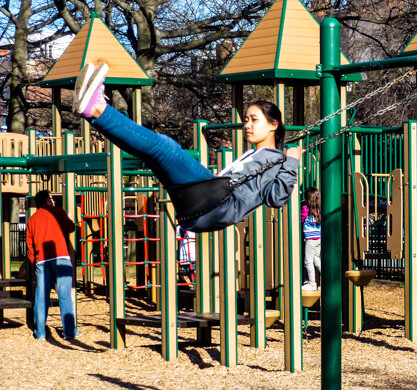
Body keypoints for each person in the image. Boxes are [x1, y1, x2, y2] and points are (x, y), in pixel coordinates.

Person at [73, 62, 302, 233]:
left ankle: (97, 109)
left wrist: (292, 162)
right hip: (203, 206)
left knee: (165, 148)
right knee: (157, 152)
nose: (247, 125)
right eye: (246, 119)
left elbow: (277, 198)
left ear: (274, 125)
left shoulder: (277, 160)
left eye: (254, 120)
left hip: (213, 206)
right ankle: (93, 114)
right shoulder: (258, 154)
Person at [26, 190, 78, 340]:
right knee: (64, 296)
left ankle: (40, 332)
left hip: (42, 261)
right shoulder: (57, 212)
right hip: (61, 257)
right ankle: (69, 332)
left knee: (41, 297)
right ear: (48, 201)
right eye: (52, 199)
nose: (53, 201)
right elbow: (71, 228)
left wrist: (34, 262)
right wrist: (69, 218)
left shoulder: (32, 220)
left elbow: (29, 245)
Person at [301, 187, 321, 291]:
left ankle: (312, 283)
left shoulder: (306, 209)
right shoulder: (320, 209)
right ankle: (326, 280)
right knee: (316, 259)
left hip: (311, 240)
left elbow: (301, 219)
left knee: (308, 261)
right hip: (319, 239)